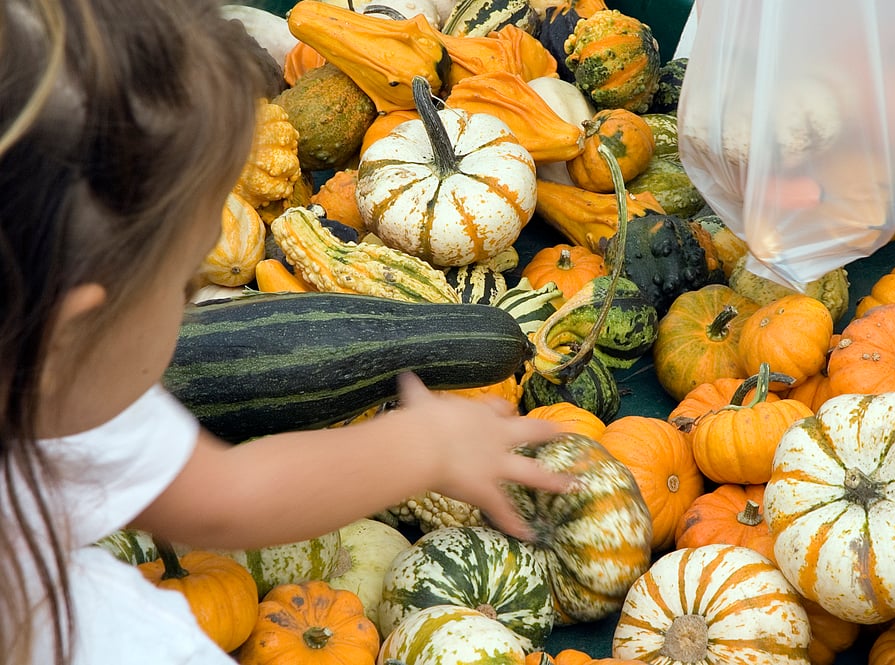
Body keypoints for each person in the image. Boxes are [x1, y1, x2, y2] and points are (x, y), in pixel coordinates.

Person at [0, 1, 569, 663]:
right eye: (185, 282)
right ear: (69, 332)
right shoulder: (113, 638)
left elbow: (225, 494)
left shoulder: (56, 386)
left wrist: (419, 447)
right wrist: (426, 446)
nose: (194, 306)